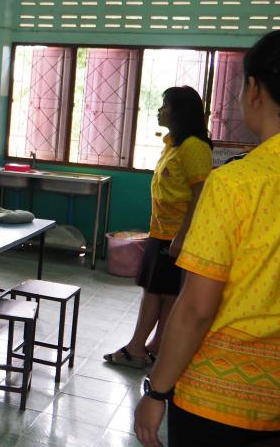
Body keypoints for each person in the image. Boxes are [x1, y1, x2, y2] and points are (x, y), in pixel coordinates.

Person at [134, 29, 280, 447]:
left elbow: (196, 309)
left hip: (216, 400)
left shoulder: (236, 183)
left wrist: (157, 391)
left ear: (254, 89)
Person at [104, 86, 212, 369]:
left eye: (166, 105)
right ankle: (154, 346)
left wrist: (183, 236)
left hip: (175, 235)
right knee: (163, 292)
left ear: (180, 112)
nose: (160, 110)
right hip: (161, 231)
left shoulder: (194, 147)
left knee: (155, 291)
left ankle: (136, 348)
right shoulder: (173, 144)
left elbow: (200, 195)